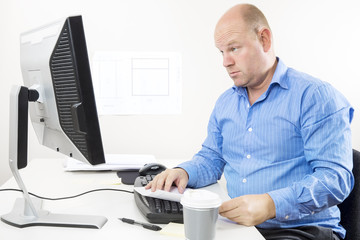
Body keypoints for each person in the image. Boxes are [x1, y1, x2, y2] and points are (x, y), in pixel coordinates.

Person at [146, 3, 354, 240]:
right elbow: (212, 158)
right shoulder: (226, 102)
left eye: (233, 48)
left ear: (264, 39)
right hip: (241, 228)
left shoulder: (315, 96)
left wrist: (271, 204)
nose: (225, 61)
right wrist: (184, 171)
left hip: (302, 231)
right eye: (221, 52)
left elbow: (336, 179)